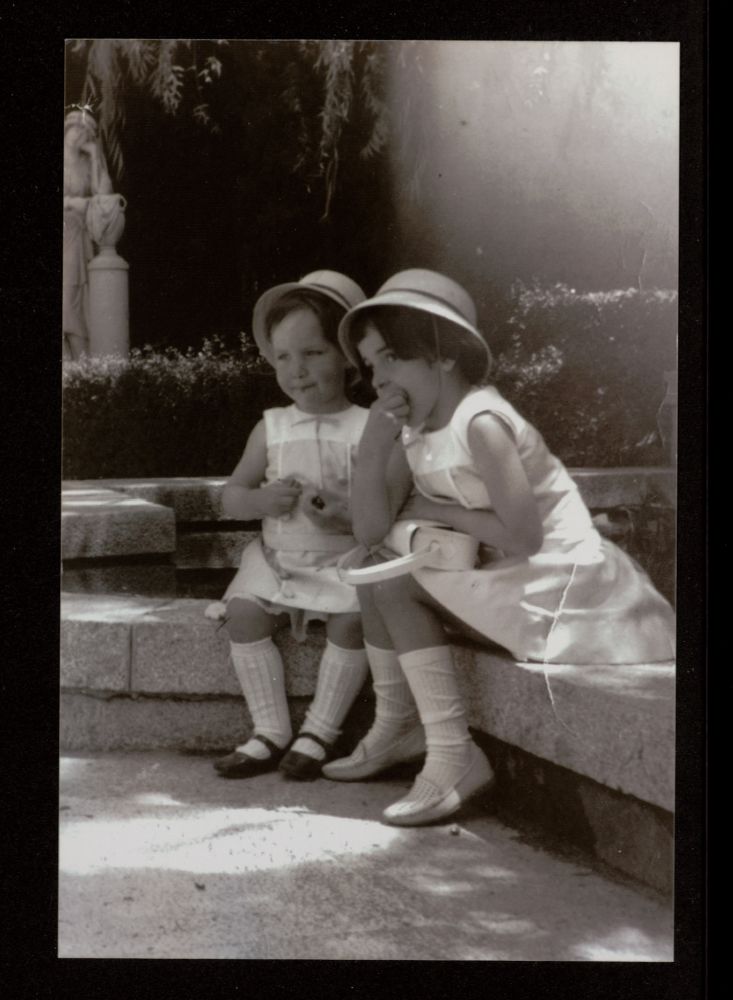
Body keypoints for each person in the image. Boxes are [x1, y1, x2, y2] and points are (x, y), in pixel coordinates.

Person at [323, 268, 676, 827]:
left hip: (562, 582)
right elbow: (369, 531)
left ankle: (454, 756)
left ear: (444, 355)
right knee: (376, 565)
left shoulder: (481, 422)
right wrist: (372, 450)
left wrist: (436, 511)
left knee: (393, 581)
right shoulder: (412, 428)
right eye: (371, 366)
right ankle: (396, 726)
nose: (380, 380)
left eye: (393, 357)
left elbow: (525, 534)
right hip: (505, 576)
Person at [211, 271, 371, 782]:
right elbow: (231, 497)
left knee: (354, 621)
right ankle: (270, 731)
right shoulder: (272, 427)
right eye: (283, 357)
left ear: (349, 356)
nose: (296, 370)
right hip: (280, 558)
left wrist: (343, 510)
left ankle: (320, 731)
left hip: (342, 558)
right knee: (243, 613)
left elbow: (384, 510)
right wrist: (260, 498)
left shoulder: (369, 428)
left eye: (313, 353)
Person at [63, 109, 113, 359]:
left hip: (78, 237)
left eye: (86, 132)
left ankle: (77, 356)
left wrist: (95, 157)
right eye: (76, 128)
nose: (78, 135)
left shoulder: (85, 164)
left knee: (76, 294)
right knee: (68, 290)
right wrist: (72, 203)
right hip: (65, 232)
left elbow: (104, 196)